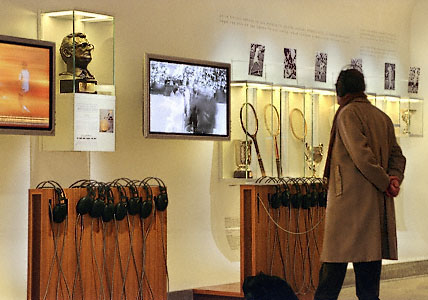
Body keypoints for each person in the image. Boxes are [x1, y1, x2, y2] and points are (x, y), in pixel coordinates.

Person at [314, 68, 406, 300]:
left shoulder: (347, 114)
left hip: (348, 208)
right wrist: (394, 179)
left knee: (330, 279)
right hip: (373, 209)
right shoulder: (381, 116)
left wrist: (386, 182)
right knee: (368, 284)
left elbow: (361, 156)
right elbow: (398, 156)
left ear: (340, 91)